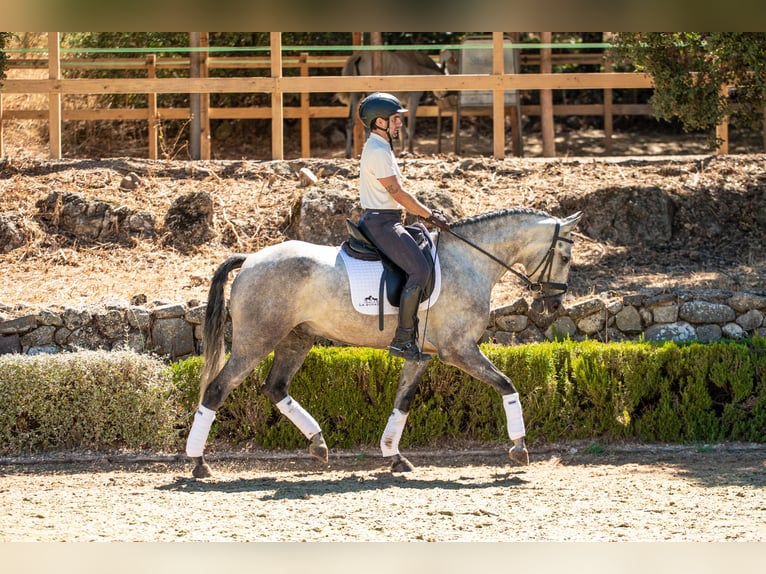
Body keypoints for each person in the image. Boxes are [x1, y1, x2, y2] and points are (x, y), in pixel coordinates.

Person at [355, 92, 451, 361]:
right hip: (381, 221)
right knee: (419, 268)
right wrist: (429, 214)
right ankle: (402, 340)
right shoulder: (378, 151)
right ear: (379, 122)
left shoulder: (381, 147)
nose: (399, 124)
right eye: (395, 119)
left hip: (388, 218)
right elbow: (398, 193)